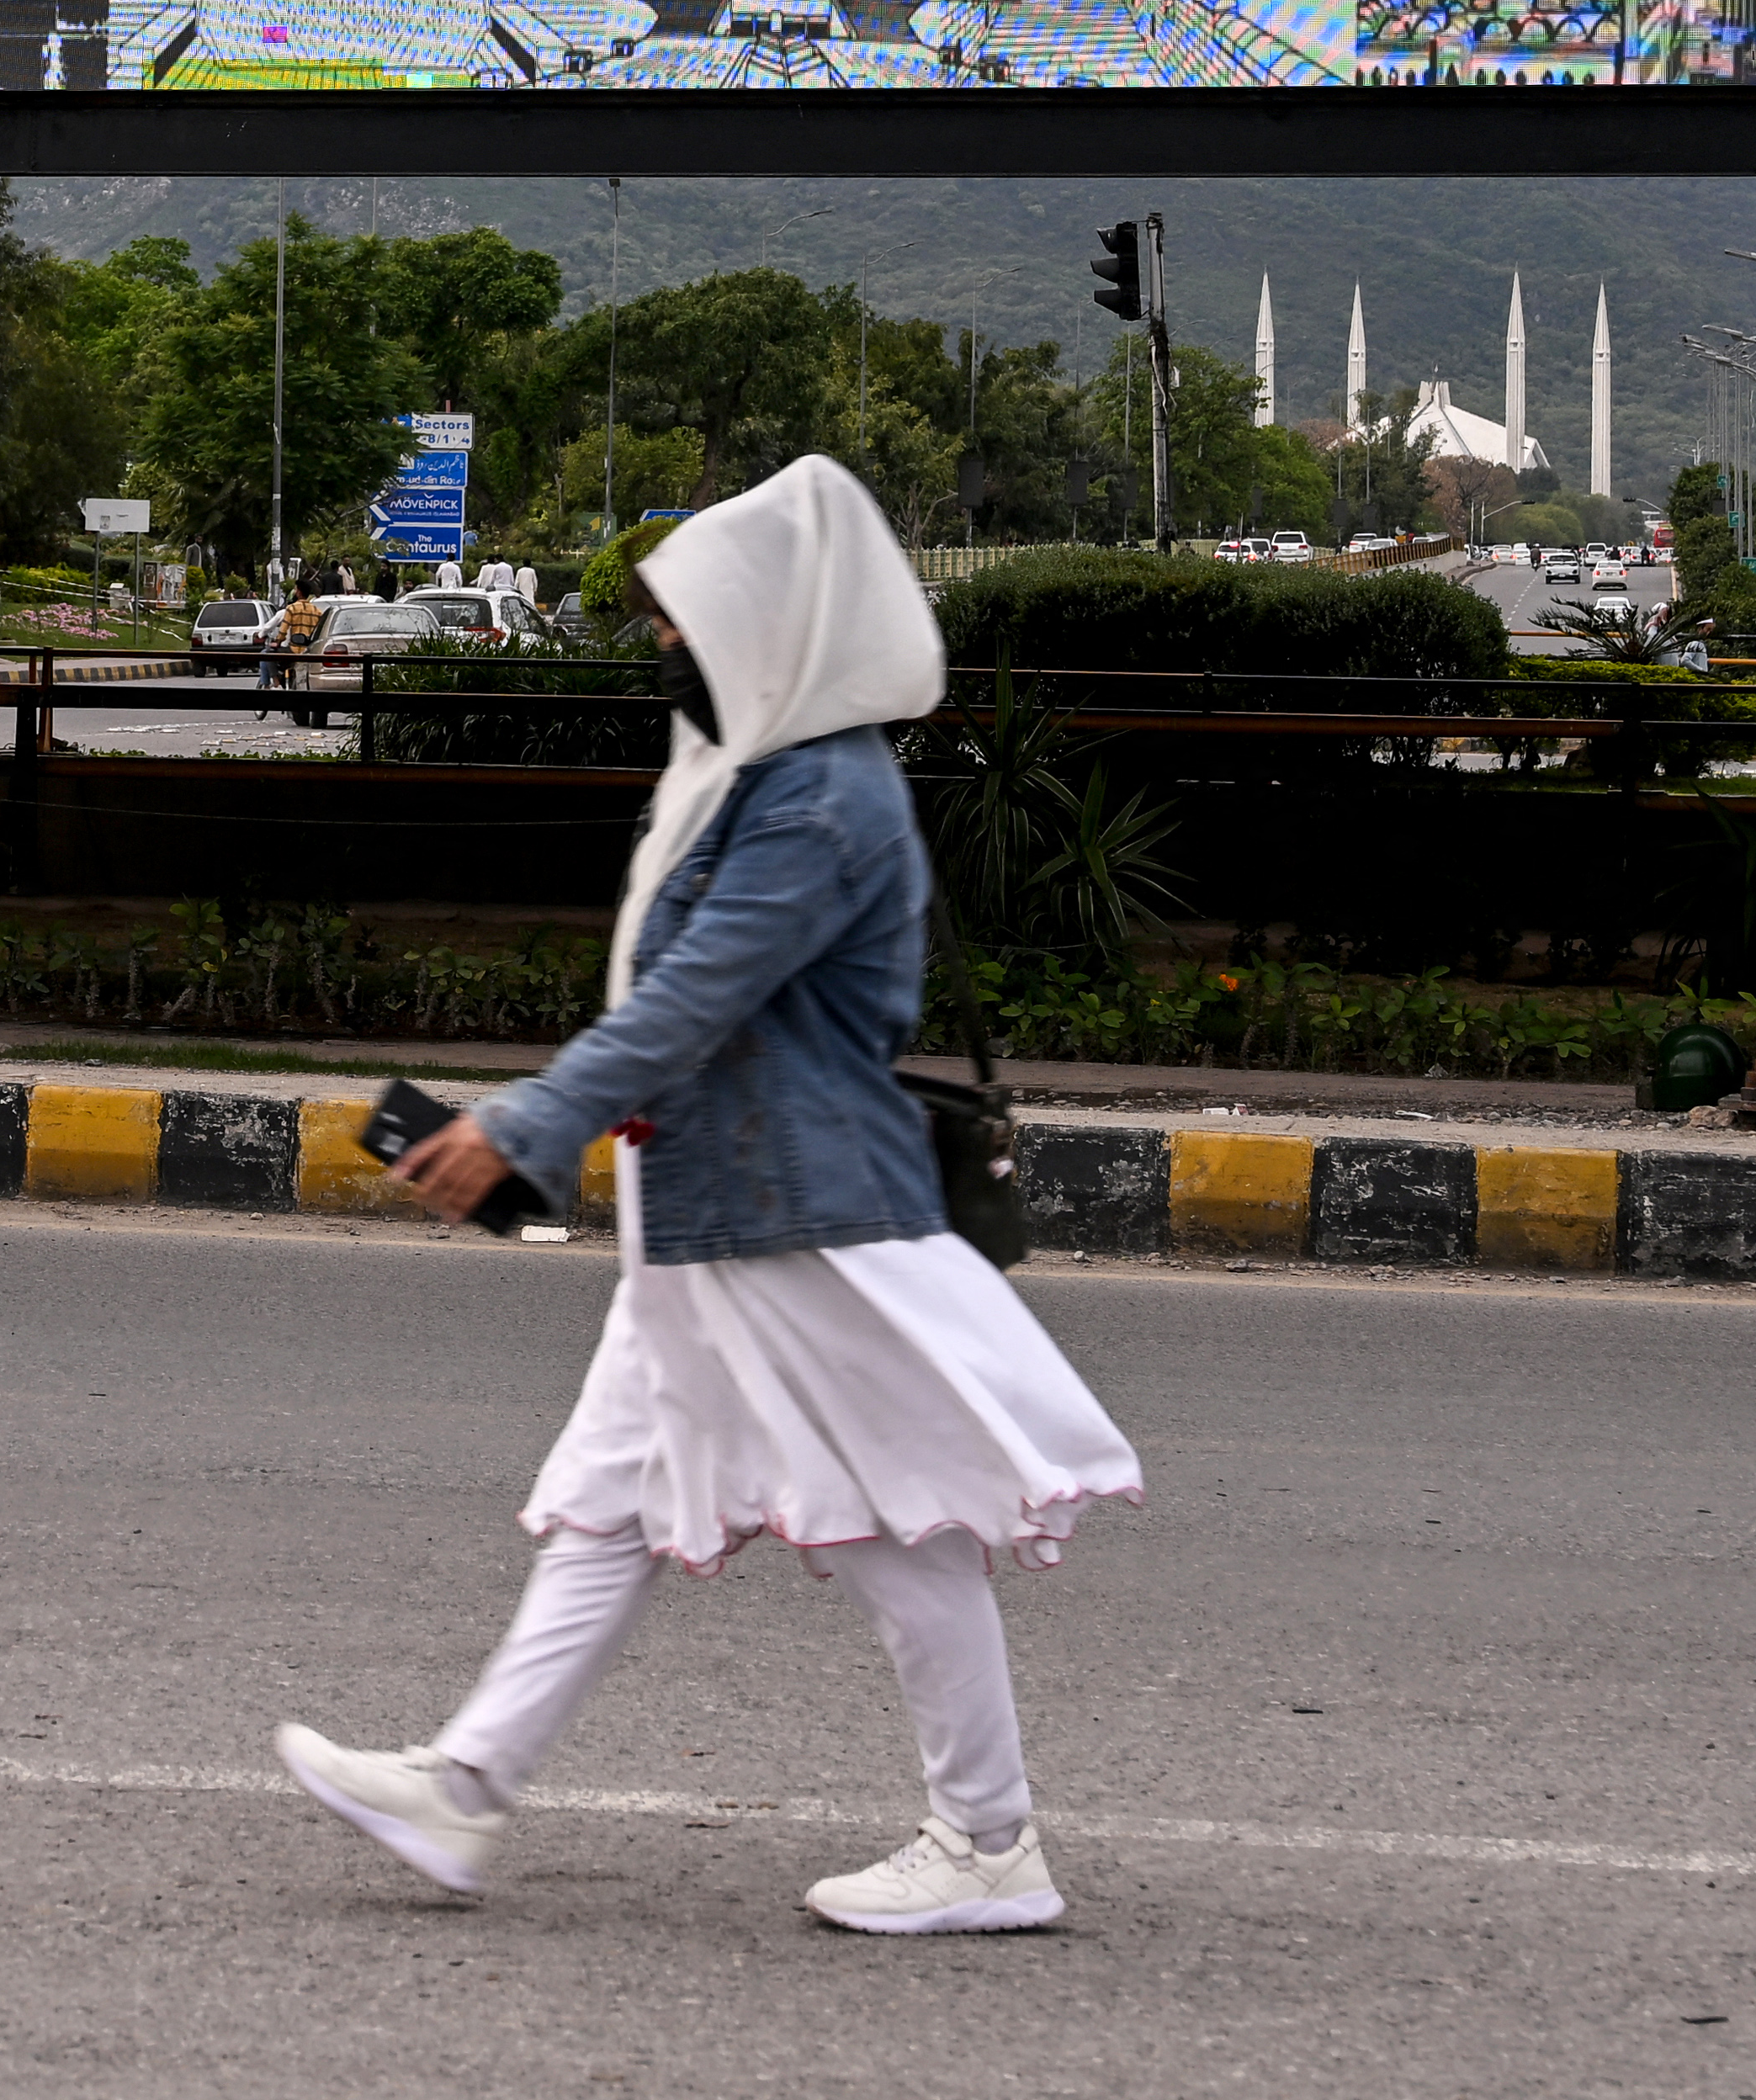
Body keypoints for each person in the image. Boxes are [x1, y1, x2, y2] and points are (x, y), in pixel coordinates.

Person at [275, 452, 1133, 1936]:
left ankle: (989, 1842)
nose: (665, 646)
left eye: (691, 620)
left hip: (795, 1210)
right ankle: (463, 1789)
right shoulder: (752, 765)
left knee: (892, 1529)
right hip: (707, 1208)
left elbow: (695, 1000)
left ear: (778, 630)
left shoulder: (819, 798)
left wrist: (525, 1126)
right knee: (607, 1506)